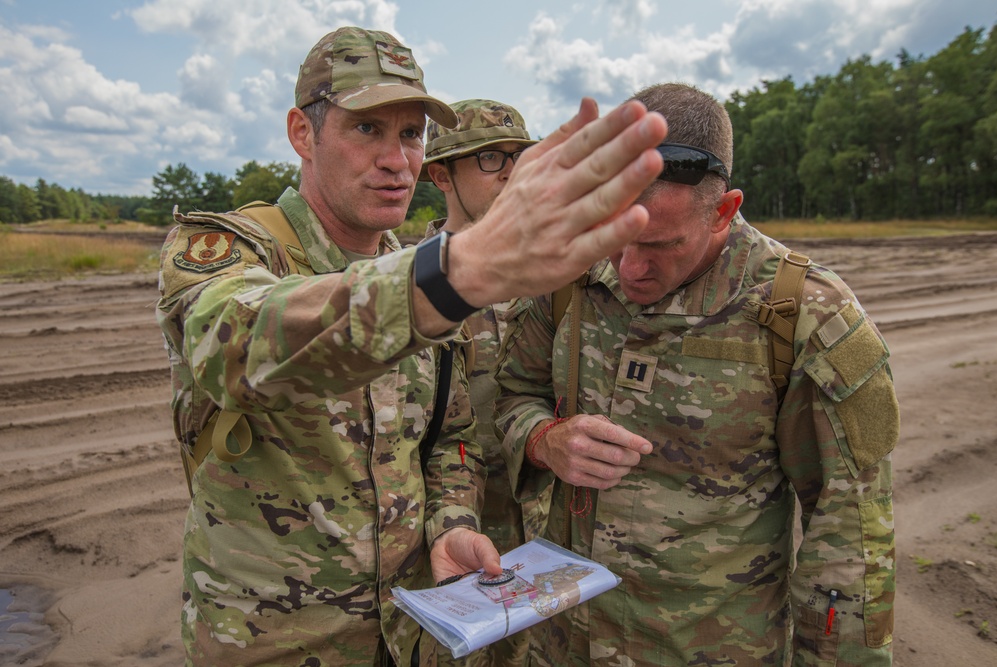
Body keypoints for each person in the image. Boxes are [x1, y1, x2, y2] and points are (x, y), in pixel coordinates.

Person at [156, 25, 669, 667]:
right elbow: (235, 347)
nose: (398, 160)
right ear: (302, 133)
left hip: (413, 628)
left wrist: (451, 524)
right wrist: (454, 274)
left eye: (411, 134)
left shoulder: (416, 267)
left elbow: (451, 433)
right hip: (275, 638)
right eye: (367, 129)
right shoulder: (233, 249)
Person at [494, 82, 898, 666]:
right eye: (617, 236)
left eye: (659, 245)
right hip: (566, 645)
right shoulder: (569, 274)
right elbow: (514, 394)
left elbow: (852, 538)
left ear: (723, 212)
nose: (629, 268)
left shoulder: (806, 317)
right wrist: (541, 439)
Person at [419, 99, 539, 667]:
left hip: (538, 533)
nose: (512, 171)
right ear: (441, 175)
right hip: (442, 535)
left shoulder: (559, 277)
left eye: (520, 156)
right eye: (491, 158)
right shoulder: (405, 284)